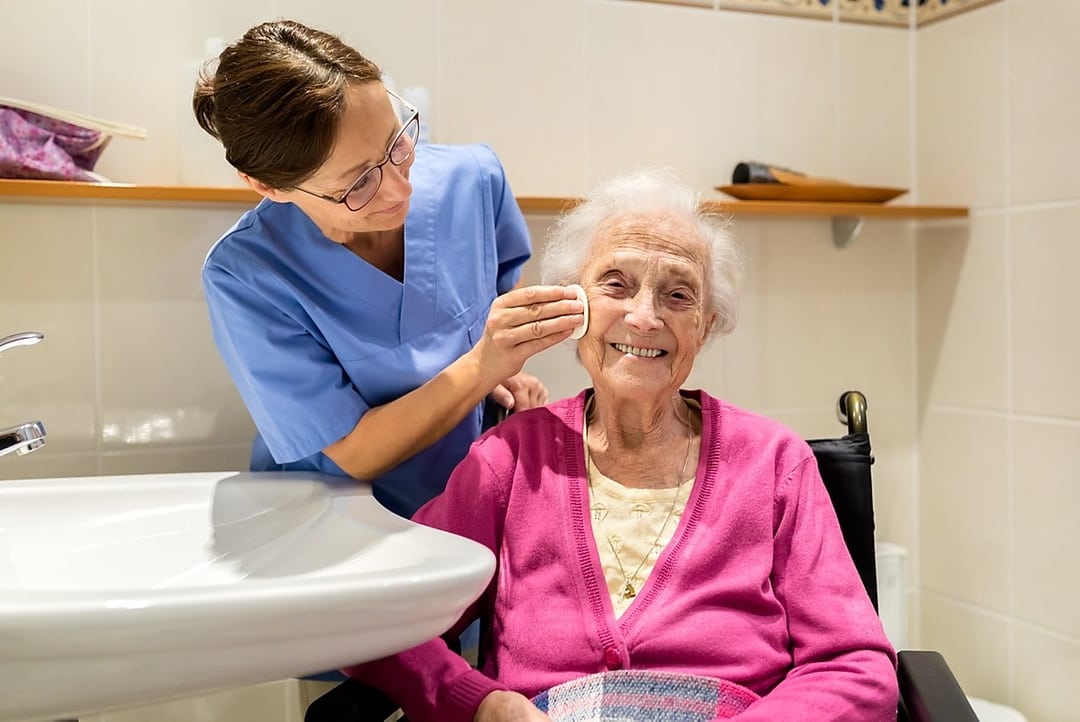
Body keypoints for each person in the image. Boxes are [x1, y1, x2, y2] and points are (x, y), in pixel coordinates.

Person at [343, 169, 900, 721]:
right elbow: (375, 619)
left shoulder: (774, 463)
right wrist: (480, 703)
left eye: (677, 295)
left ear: (704, 328)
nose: (645, 316)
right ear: (573, 306)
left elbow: (856, 665)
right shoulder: (508, 462)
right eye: (616, 284)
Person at [194, 20, 583, 518]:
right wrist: (483, 367)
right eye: (359, 184)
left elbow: (502, 290)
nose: (402, 189)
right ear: (269, 187)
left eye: (396, 144)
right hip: (328, 524)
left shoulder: (473, 178)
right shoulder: (246, 275)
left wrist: (502, 376)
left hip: (470, 503)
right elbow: (353, 453)